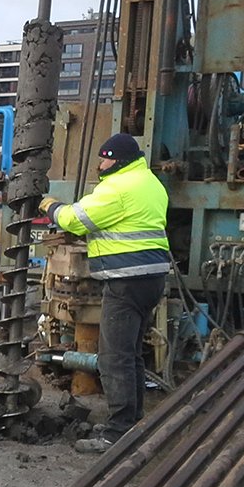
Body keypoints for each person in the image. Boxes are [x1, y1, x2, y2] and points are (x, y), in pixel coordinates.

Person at [39, 132, 171, 454]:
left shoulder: (117, 187)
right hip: (151, 278)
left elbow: (75, 219)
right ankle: (133, 421)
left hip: (126, 281)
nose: (99, 165)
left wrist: (49, 204)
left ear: (118, 159)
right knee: (131, 354)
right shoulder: (150, 182)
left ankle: (117, 433)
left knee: (114, 358)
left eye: (104, 158)